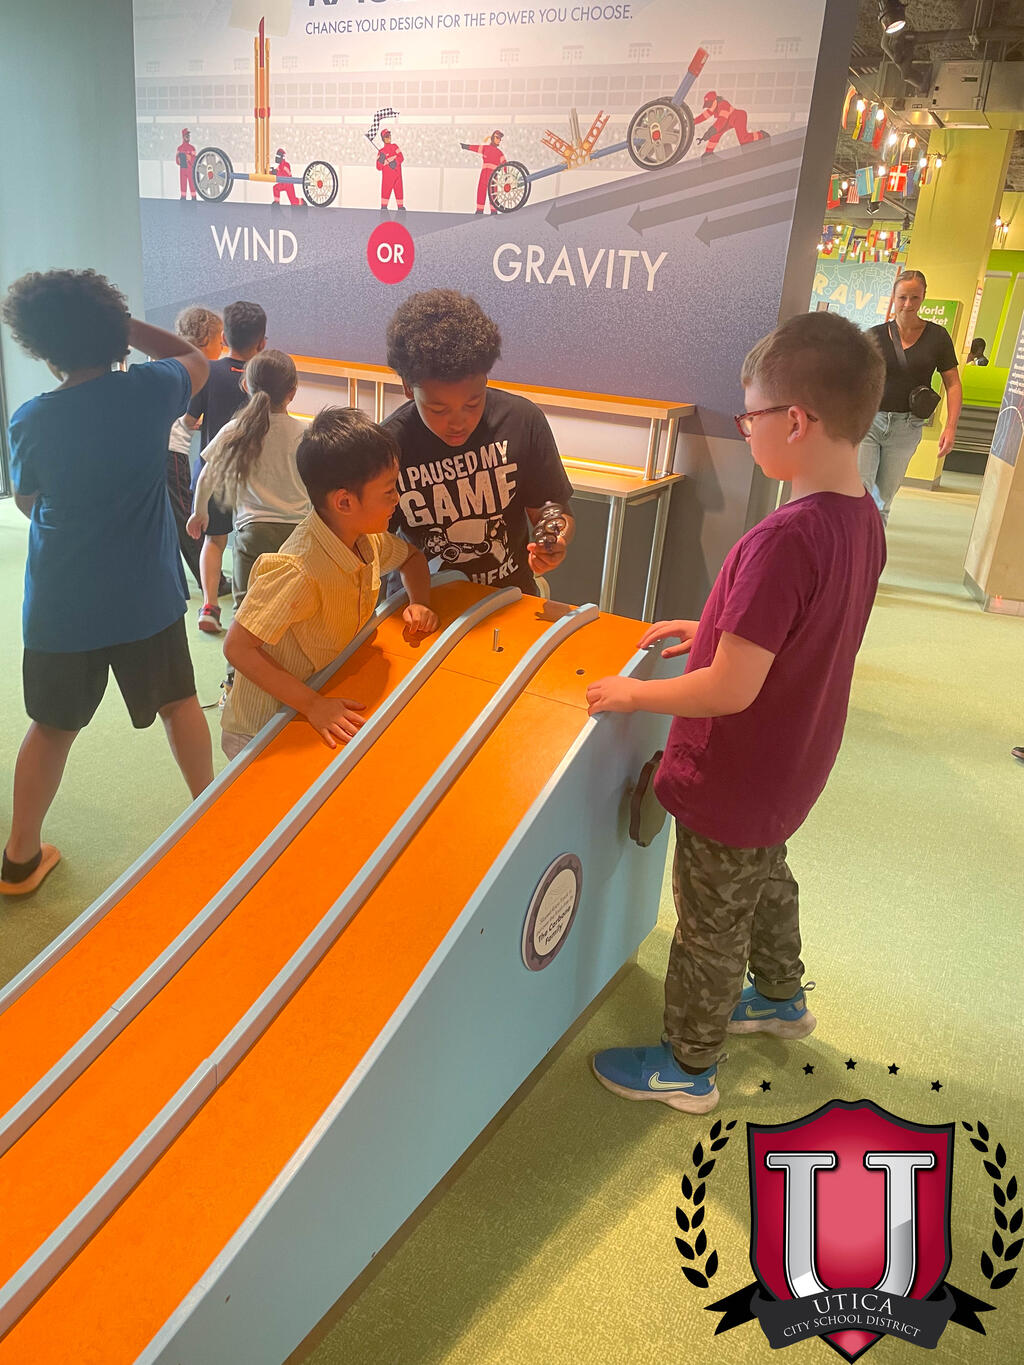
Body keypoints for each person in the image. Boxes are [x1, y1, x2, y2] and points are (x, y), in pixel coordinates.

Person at [585, 311, 887, 1113]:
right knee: (767, 876)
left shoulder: (786, 537)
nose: (745, 431)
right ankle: (782, 998)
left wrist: (635, 693)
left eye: (750, 417)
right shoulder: (861, 516)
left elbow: (728, 690)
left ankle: (688, 1065)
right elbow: (803, 628)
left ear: (796, 420)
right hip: (794, 762)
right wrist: (714, 625)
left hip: (735, 772)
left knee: (709, 923)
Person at [1, 269, 214, 897]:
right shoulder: (149, 389)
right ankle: (214, 816)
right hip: (145, 596)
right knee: (179, 703)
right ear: (114, 331)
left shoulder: (32, 418)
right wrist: (123, 326)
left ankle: (19, 859)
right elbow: (196, 359)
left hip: (61, 608)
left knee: (51, 727)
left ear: (40, 345)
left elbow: (27, 502)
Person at [220, 407, 439, 760]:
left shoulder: (366, 537)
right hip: (262, 730)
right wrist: (312, 704)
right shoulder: (297, 570)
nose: (397, 498)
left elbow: (411, 559)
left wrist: (420, 602)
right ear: (345, 502)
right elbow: (238, 648)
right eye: (388, 491)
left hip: (320, 694)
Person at [383, 289, 574, 594]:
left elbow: (550, 507)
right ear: (408, 387)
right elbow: (372, 540)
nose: (458, 423)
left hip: (508, 596)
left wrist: (554, 538)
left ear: (486, 378)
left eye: (473, 403)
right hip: (420, 601)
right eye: (438, 409)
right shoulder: (388, 445)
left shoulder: (521, 420)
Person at [188, 349, 310, 611]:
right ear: (292, 392)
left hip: (253, 532)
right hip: (298, 534)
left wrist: (200, 512)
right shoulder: (305, 433)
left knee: (247, 610)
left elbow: (208, 473)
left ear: (245, 385)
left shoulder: (236, 430)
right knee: (292, 606)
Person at [184, 300, 267, 633]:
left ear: (224, 337)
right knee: (251, 542)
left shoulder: (208, 371)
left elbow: (189, 419)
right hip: (253, 474)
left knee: (214, 541)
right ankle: (251, 611)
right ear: (262, 343)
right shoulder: (263, 378)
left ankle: (209, 605)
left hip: (214, 470)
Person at [858, 269, 962, 526]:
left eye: (914, 297)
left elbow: (953, 384)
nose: (907, 304)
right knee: (859, 494)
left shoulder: (938, 337)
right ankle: (853, 547)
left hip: (907, 427)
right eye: (902, 297)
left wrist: (951, 426)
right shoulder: (874, 335)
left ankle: (872, 551)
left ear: (924, 296)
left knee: (883, 500)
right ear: (893, 297)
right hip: (870, 422)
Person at [167, 305, 227, 595]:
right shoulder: (197, 368)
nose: (222, 346)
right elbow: (186, 418)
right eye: (219, 339)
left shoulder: (172, 361)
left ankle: (179, 579)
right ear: (205, 339)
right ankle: (211, 581)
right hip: (170, 451)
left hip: (159, 447)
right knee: (185, 514)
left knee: (171, 514)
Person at [694, 92, 768, 156]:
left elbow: (721, 121)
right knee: (715, 135)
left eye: (710, 104)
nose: (709, 107)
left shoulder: (723, 105)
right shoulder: (713, 108)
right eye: (708, 105)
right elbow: (703, 117)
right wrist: (692, 123)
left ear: (715, 101)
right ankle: (708, 152)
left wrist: (709, 132)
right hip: (728, 121)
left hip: (738, 118)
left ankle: (761, 134)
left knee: (743, 140)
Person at [460, 131, 505, 213]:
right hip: (484, 174)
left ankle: (493, 210)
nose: (499, 140)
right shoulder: (485, 148)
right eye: (497, 137)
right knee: (481, 191)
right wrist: (467, 147)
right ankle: (479, 209)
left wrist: (506, 176)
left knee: (493, 192)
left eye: (500, 139)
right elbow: (476, 148)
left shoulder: (499, 153)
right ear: (492, 138)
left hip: (493, 176)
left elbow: (505, 164)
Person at [376, 130, 405, 213]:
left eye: (389, 135)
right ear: (383, 139)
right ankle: (384, 207)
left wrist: (395, 162)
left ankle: (400, 207)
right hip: (387, 178)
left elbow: (401, 157)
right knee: (385, 191)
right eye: (386, 136)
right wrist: (381, 159)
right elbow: (378, 167)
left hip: (397, 176)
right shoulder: (381, 152)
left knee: (399, 191)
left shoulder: (395, 147)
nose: (388, 138)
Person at [176, 128, 197, 201]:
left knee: (192, 183)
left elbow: (195, 160)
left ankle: (194, 197)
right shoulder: (179, 148)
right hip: (183, 169)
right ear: (183, 137)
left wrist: (190, 158)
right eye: (186, 135)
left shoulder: (192, 148)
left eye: (188, 136)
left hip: (190, 169)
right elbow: (177, 161)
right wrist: (179, 160)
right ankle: (183, 197)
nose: (188, 137)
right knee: (183, 183)